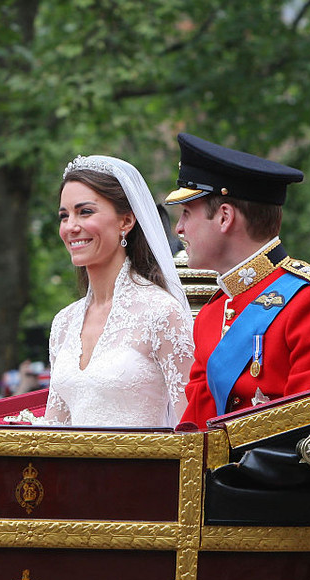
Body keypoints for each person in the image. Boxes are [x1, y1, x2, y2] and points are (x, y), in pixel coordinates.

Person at [164, 133, 310, 429]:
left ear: (224, 217)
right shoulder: (212, 314)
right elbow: (195, 433)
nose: (179, 228)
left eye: (186, 213)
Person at [43, 154, 194, 427]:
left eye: (85, 211)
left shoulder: (161, 313)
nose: (71, 226)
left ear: (126, 221)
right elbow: (54, 429)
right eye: (64, 216)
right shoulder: (64, 323)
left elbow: (191, 432)